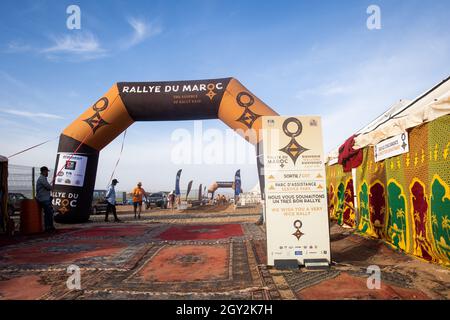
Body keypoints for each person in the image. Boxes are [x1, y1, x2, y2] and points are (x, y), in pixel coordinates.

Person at [36, 166, 56, 232]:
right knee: (49, 213)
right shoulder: (42, 179)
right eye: (47, 171)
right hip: (44, 199)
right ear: (44, 171)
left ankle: (49, 227)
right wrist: (52, 188)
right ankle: (49, 227)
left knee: (48, 213)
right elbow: (48, 187)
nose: (47, 173)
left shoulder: (42, 178)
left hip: (44, 198)